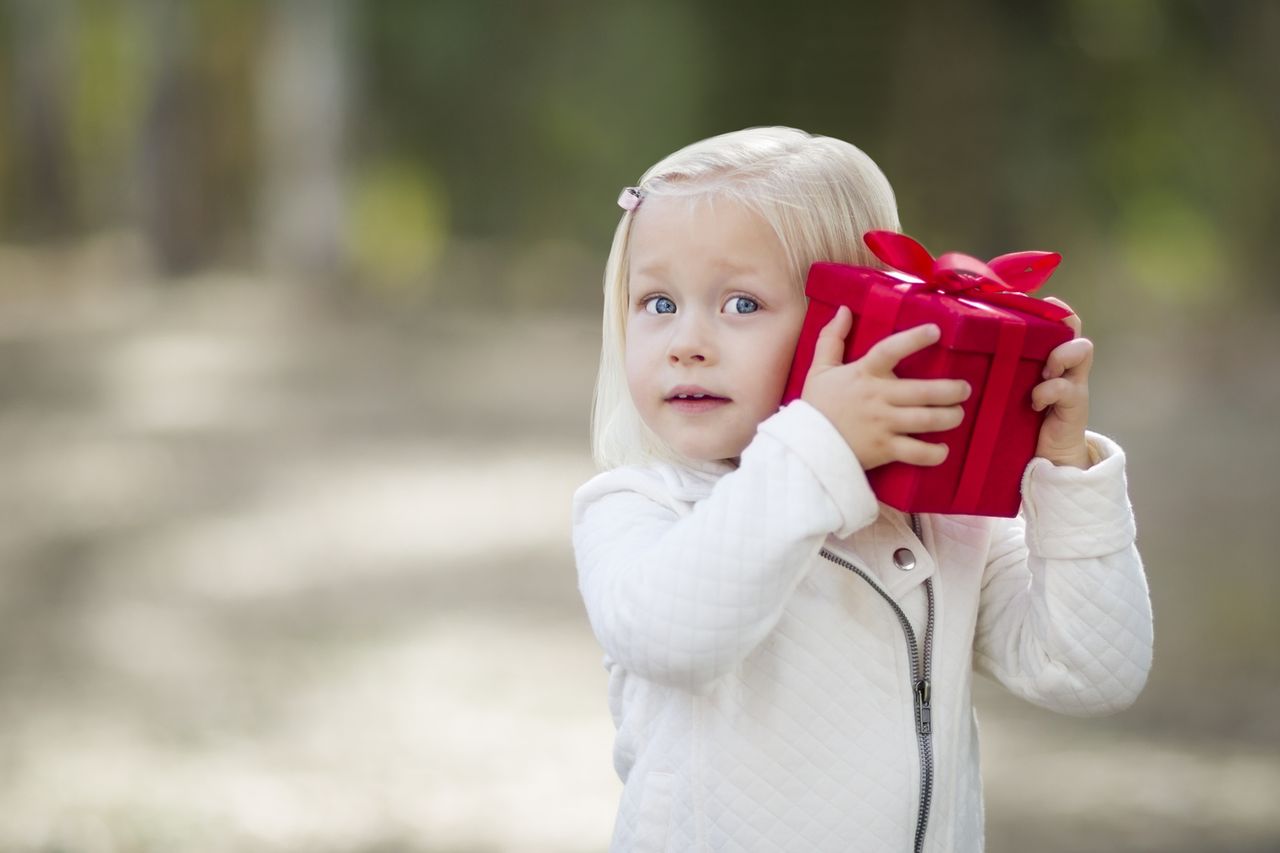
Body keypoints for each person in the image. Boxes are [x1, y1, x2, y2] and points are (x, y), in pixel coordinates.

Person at [571, 126, 1153, 853]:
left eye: (741, 304)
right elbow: (675, 638)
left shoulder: (937, 520)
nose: (686, 340)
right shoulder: (635, 507)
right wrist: (818, 446)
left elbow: (1091, 671)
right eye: (657, 303)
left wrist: (1067, 476)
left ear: (853, 317)